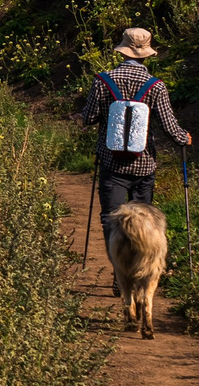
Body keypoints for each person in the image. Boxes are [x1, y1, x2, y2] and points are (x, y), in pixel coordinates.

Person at [82, 27, 192, 252]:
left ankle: (118, 270)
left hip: (111, 163)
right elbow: (169, 126)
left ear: (122, 51)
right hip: (144, 165)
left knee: (111, 219)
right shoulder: (155, 86)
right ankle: (138, 264)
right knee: (142, 222)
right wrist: (184, 138)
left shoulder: (103, 81)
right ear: (146, 54)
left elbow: (89, 118)